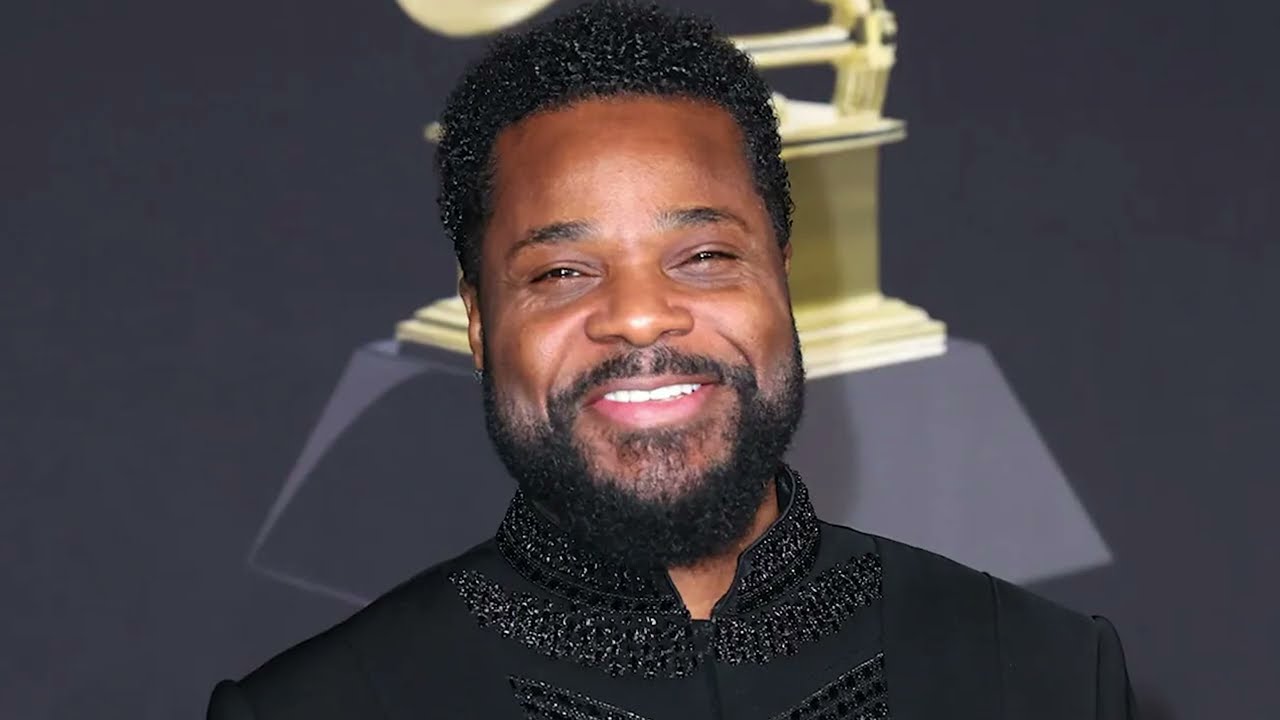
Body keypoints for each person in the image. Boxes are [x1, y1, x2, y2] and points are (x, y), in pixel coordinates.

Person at [207, 2, 1136, 718]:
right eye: (563, 271)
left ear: (782, 276)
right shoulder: (317, 710)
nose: (641, 316)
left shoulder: (1046, 676)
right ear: (480, 320)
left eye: (703, 256)